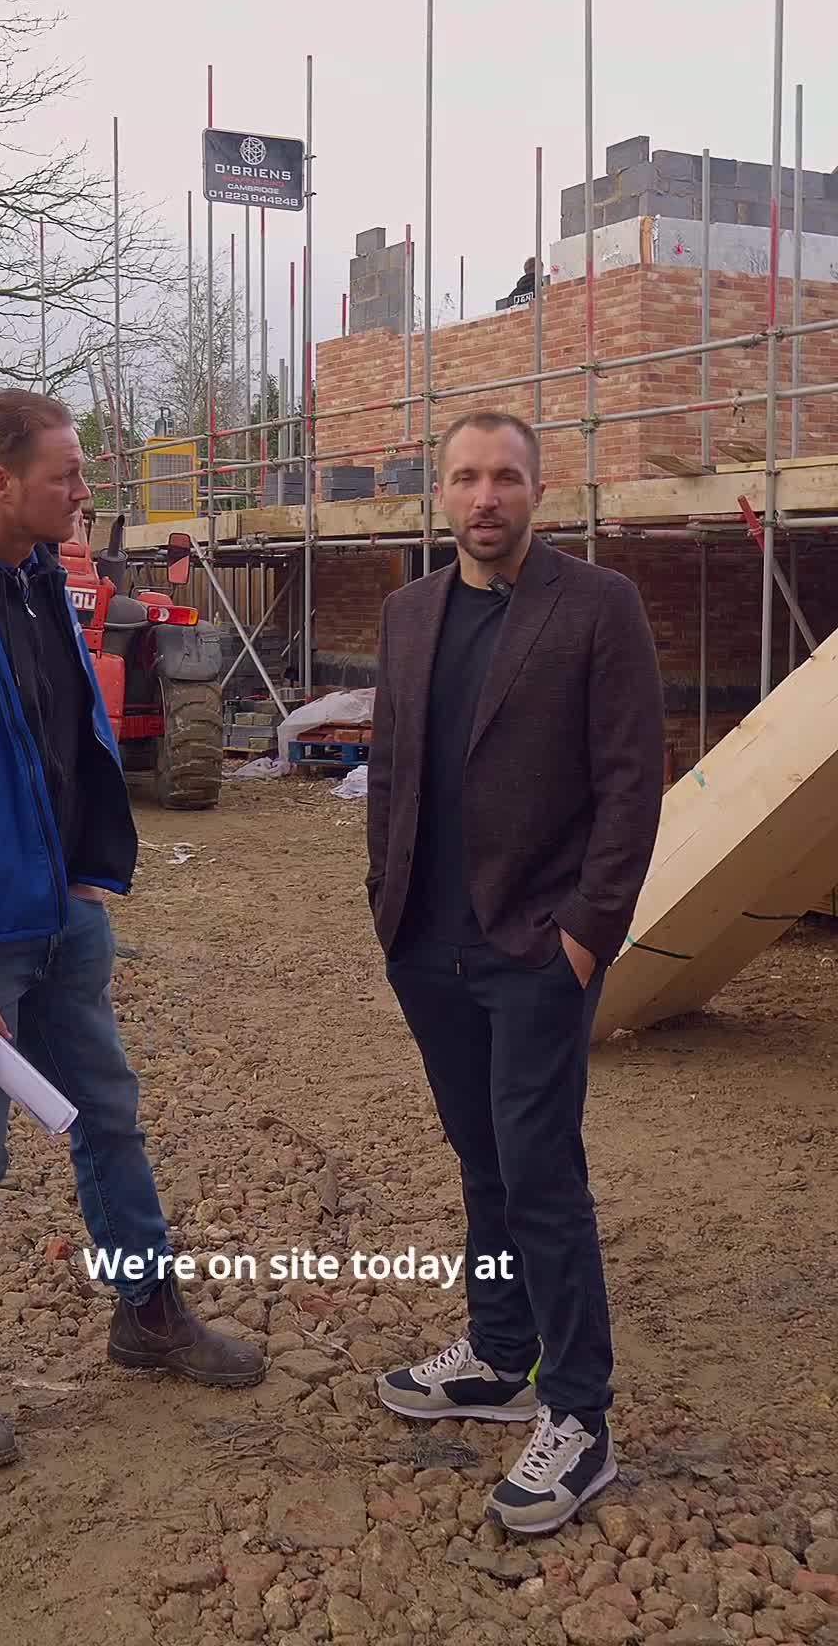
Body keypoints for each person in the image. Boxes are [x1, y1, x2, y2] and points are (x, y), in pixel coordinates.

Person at [0, 389, 264, 1469]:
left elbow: (63, 744)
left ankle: (146, 1313)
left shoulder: (39, 585)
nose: (86, 492)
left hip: (61, 922)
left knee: (109, 1118)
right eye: (68, 476)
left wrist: (85, 879)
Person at [365, 409, 664, 1534]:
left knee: (539, 1169)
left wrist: (588, 930)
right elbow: (390, 767)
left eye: (505, 478)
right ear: (440, 496)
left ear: (538, 490)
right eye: (464, 479)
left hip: (537, 947)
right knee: (480, 1153)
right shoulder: (406, 615)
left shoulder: (597, 607)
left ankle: (578, 1418)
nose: (484, 497)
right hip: (426, 946)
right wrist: (382, 904)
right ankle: (498, 1356)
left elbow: (634, 780)